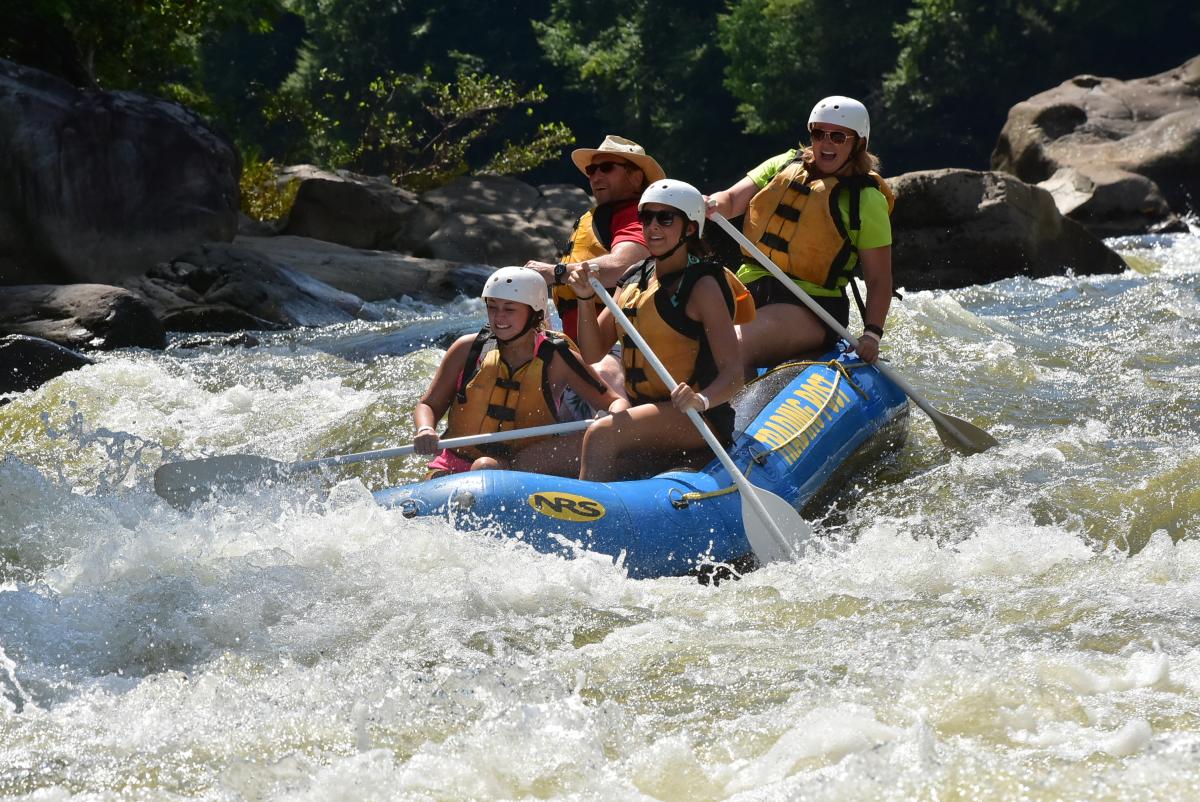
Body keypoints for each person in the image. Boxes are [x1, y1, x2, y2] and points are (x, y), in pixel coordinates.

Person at [566, 180, 753, 482]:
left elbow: (733, 375)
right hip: (645, 412)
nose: (652, 226)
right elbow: (592, 351)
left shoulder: (703, 285)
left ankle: (583, 523)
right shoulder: (633, 278)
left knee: (601, 435)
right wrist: (585, 298)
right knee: (572, 451)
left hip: (696, 417)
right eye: (646, 217)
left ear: (690, 229)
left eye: (665, 218)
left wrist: (700, 399)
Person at [706, 95, 895, 371]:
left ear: (858, 144)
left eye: (838, 137)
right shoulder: (784, 164)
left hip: (811, 306)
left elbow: (879, 279)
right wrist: (709, 203)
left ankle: (718, 408)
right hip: (748, 291)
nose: (826, 143)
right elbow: (732, 201)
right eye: (819, 134)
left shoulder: (866, 200)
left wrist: (872, 333)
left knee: (729, 345)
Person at [413, 266, 627, 478]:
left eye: (509, 309)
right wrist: (425, 429)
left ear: (535, 313)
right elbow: (429, 404)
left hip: (517, 471)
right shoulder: (466, 348)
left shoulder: (558, 358)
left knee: (485, 466)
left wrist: (608, 422)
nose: (499, 317)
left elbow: (613, 402)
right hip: (452, 464)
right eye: (493, 307)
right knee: (483, 467)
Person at [525, 135, 665, 416]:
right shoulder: (601, 217)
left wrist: (556, 272)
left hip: (617, 346)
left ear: (636, 177)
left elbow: (619, 267)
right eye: (592, 170)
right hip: (578, 352)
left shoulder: (637, 215)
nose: (596, 176)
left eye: (607, 168)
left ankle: (621, 441)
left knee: (599, 376)